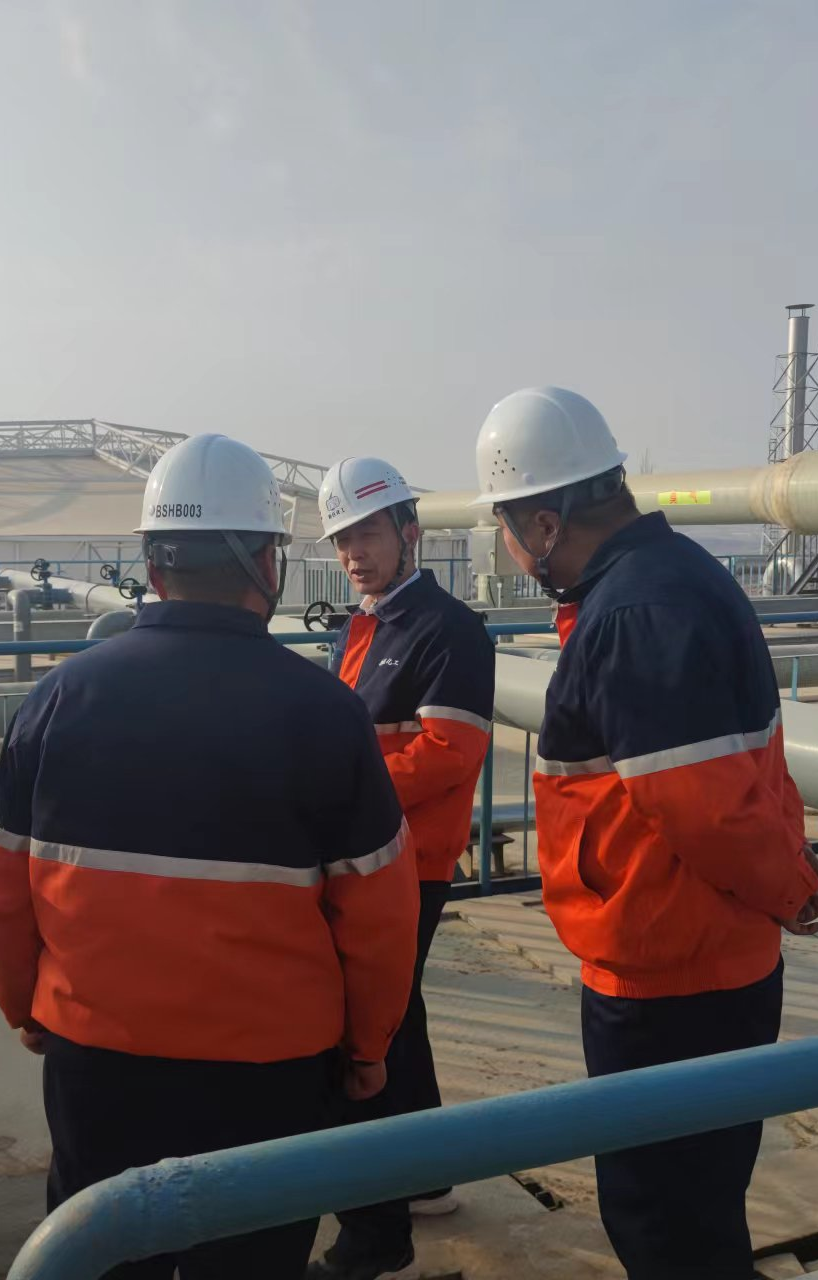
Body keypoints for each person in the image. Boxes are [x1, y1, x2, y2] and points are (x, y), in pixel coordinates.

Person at [0, 433, 420, 1280]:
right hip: (270, 1074)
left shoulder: (59, 697)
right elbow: (380, 915)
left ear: (152, 562)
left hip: (98, 1061)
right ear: (267, 562)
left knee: (102, 1255)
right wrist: (368, 1049)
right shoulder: (326, 714)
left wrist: (24, 1004)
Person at [469, 387, 818, 1280]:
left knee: (663, 1221)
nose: (508, 549)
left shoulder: (635, 613)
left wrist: (794, 890)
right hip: (704, 955)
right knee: (699, 1198)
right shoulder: (674, 578)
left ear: (544, 524)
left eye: (506, 527)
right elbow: (737, 778)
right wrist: (789, 878)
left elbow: (706, 806)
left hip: (669, 974)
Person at [307, 458, 496, 1280]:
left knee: (368, 1021)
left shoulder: (448, 630)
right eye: (343, 539)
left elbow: (450, 752)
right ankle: (427, 1172)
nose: (354, 552)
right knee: (398, 1015)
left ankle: (378, 1214)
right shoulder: (369, 625)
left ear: (409, 531)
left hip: (409, 862)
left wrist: (342, 793)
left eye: (368, 534)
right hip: (371, 854)